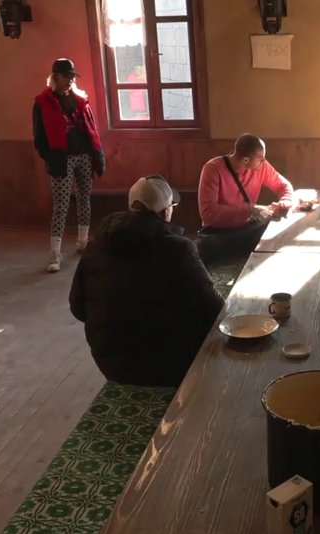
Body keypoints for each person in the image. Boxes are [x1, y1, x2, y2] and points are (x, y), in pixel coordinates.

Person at [69, 175, 224, 388]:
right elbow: (214, 309)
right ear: (165, 212)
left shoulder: (97, 245)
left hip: (111, 364)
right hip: (169, 364)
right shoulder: (179, 249)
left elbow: (78, 309)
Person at [33, 58, 106, 273]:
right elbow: (39, 136)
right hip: (61, 158)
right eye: (67, 76)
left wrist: (97, 154)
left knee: (84, 199)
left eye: (73, 76)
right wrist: (51, 157)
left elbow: (91, 128)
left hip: (83, 155)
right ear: (55, 77)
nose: (71, 80)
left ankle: (83, 242)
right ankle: (55, 253)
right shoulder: (43, 102)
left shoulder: (80, 99)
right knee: (61, 205)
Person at [195, 133, 293, 263]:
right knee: (203, 248)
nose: (264, 161)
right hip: (218, 232)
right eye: (261, 158)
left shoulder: (261, 166)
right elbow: (208, 213)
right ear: (246, 160)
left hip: (247, 228)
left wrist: (285, 202)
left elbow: (283, 185)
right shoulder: (213, 169)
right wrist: (251, 210)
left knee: (277, 230)